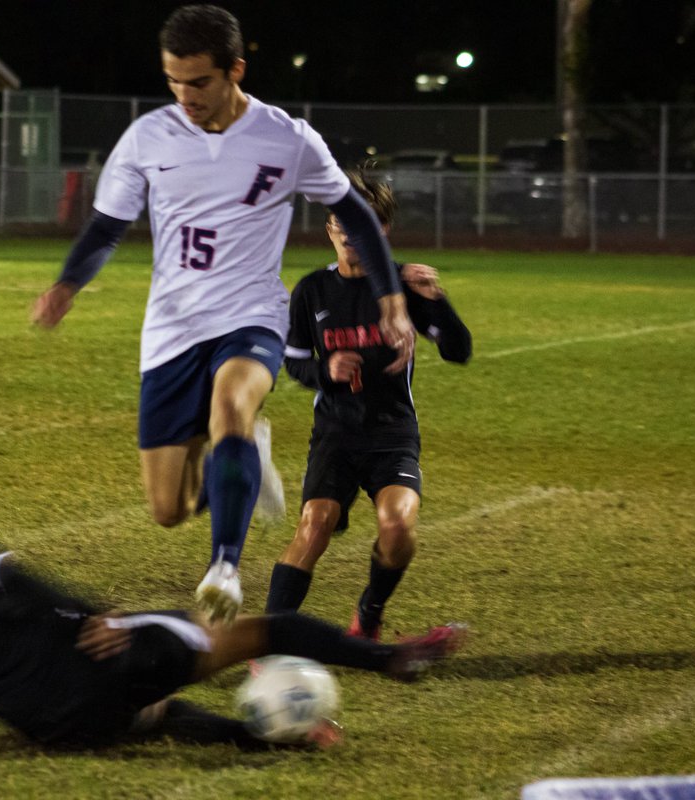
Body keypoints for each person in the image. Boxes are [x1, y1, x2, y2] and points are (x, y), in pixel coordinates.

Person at [31, 5, 416, 622]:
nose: (185, 95)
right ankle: (246, 460)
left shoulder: (286, 138)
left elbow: (357, 214)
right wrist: (67, 284)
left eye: (199, 82)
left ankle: (225, 569)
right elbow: (105, 227)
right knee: (169, 508)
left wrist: (392, 299)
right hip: (171, 330)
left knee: (232, 403)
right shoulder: (148, 138)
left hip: (250, 315)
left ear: (235, 70)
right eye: (173, 81)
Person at [0, 495, 467, 749]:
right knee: (266, 632)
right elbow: (13, 577)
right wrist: (92, 614)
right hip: (111, 664)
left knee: (157, 716)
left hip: (65, 731)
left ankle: (263, 739)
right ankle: (392, 659)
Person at [264, 172, 472, 641]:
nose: (349, 234)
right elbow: (293, 361)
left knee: (397, 527)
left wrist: (437, 302)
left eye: (363, 224)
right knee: (315, 525)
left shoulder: (402, 287)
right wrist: (326, 369)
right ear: (329, 229)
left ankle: (369, 616)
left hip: (391, 434)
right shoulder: (313, 290)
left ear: (383, 230)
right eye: (342, 223)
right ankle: (268, 639)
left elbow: (459, 351)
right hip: (336, 434)